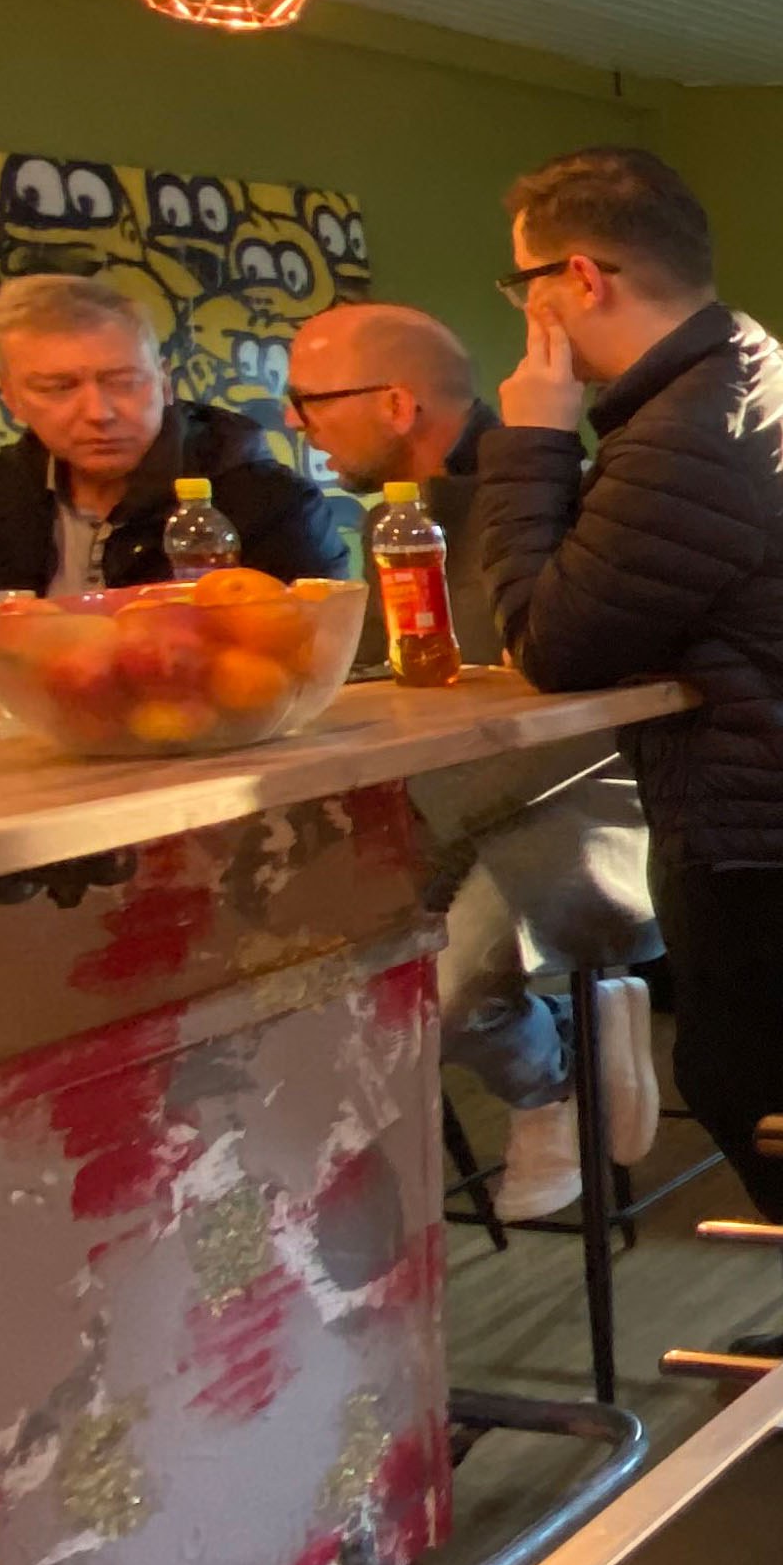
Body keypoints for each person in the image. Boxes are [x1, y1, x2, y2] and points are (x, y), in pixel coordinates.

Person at [480, 146, 783, 1355]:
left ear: (577, 278)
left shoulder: (693, 426)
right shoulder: (735, 371)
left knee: (769, 1087)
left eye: (522, 286)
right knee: (777, 1077)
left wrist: (533, 437)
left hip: (766, 806)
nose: (523, 313)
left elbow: (552, 641)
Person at [287, 302, 658, 1220]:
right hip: (447, 788)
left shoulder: (545, 495)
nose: (297, 423)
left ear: (397, 404)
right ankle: (558, 1048)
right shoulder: (397, 517)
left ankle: (549, 1078)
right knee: (315, 956)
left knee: (440, 995)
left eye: (311, 401)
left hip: (581, 790)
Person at [0, 271, 343, 632]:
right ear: (11, 397)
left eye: (124, 382)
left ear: (163, 383)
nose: (99, 413)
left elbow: (310, 662)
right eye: (59, 388)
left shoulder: (269, 501)